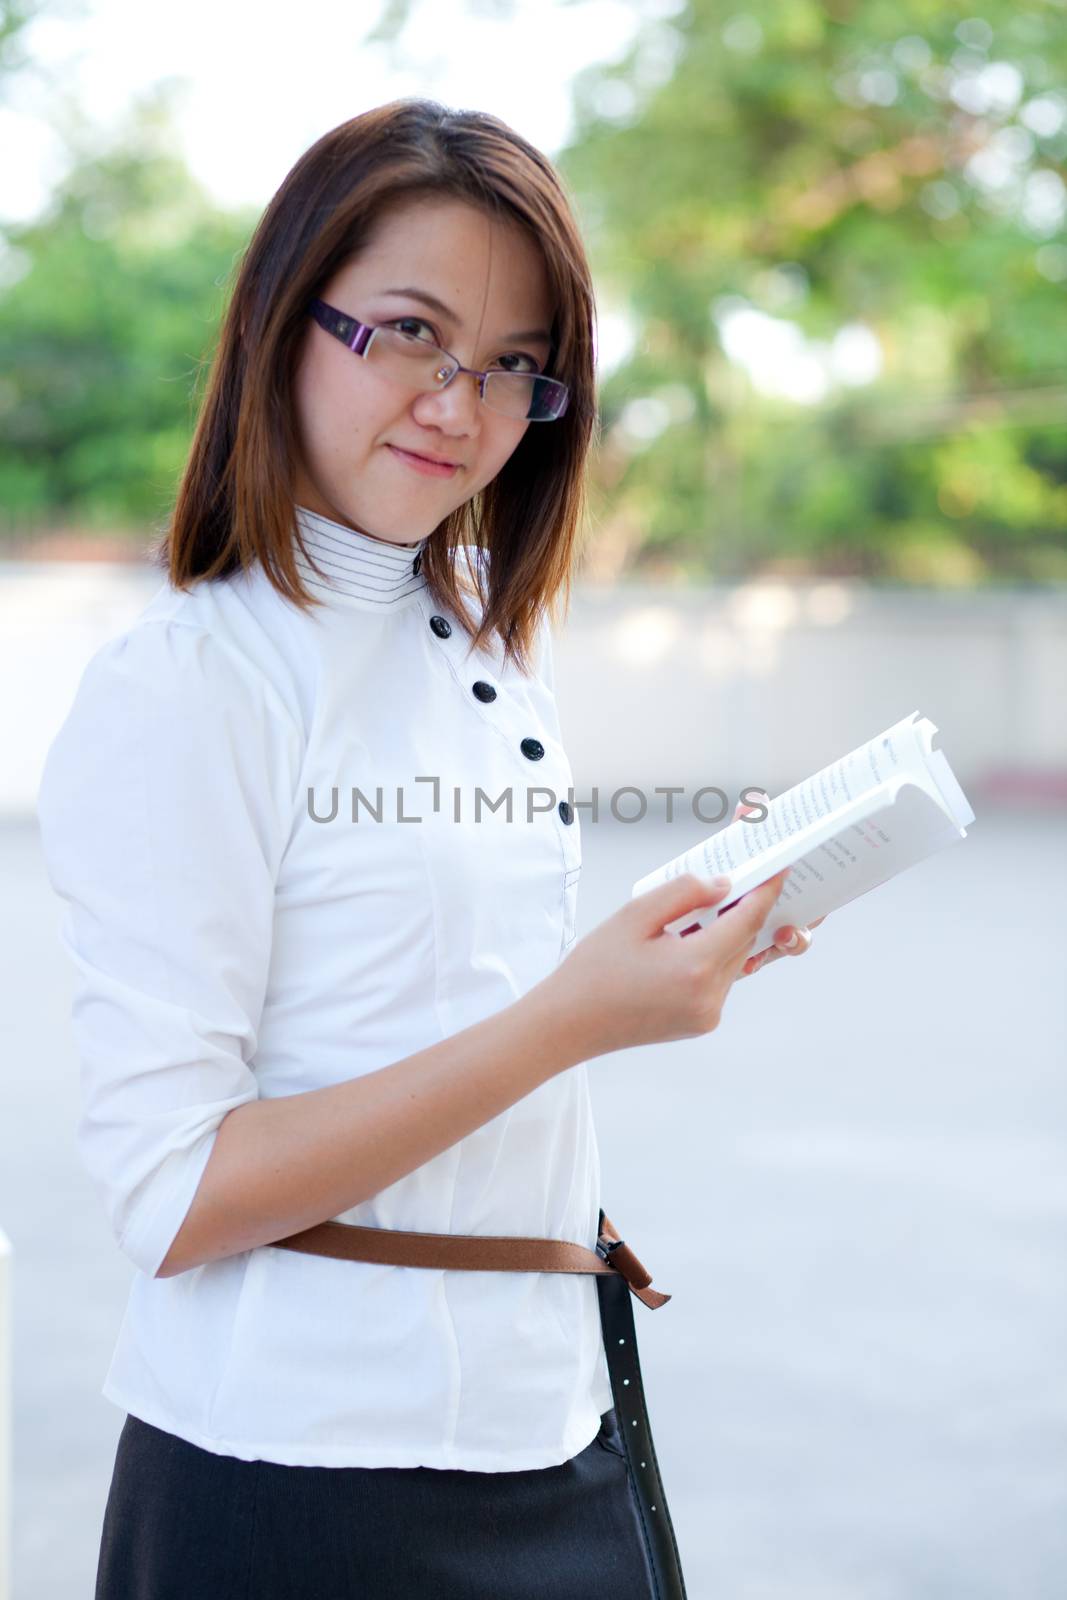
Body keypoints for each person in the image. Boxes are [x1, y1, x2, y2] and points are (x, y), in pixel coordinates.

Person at [36, 97, 816, 1599]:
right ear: (283, 322)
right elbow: (173, 1194)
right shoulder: (193, 686)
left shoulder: (479, 640)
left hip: (554, 1425)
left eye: (518, 365)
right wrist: (573, 1019)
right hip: (296, 1476)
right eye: (409, 332)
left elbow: (454, 999)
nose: (462, 405)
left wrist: (655, 947)